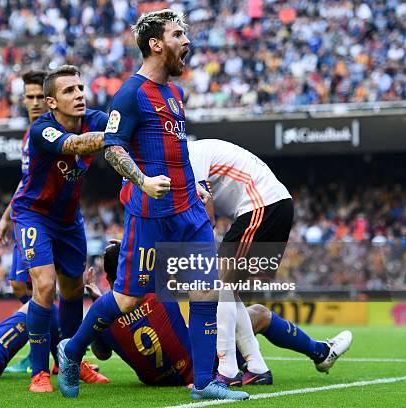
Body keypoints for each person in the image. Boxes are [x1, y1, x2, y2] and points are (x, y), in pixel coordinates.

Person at [57, 10, 248, 401]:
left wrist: (192, 182)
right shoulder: (129, 94)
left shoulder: (176, 95)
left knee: (205, 291)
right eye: (178, 34)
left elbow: (175, 151)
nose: (187, 41)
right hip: (149, 215)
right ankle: (71, 351)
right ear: (156, 44)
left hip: (189, 212)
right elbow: (113, 146)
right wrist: (142, 181)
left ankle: (204, 381)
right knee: (127, 299)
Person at [187, 138, 352, 385]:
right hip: (272, 205)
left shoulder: (189, 155)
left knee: (219, 288)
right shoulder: (193, 152)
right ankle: (256, 367)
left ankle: (228, 372)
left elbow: (207, 217)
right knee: (228, 292)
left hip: (262, 206)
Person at [89, 242, 352, 386]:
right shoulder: (154, 289)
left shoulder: (100, 314)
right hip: (199, 367)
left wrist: (98, 301)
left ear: (107, 277)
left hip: (156, 380)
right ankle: (320, 352)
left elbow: (102, 354)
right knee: (257, 313)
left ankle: (255, 362)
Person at [9, 65, 109, 392]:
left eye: (80, 88)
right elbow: (75, 146)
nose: (79, 94)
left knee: (72, 290)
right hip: (34, 214)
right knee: (44, 284)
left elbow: (125, 131)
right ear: (52, 102)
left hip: (69, 220)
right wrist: (114, 136)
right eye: (69, 91)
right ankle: (39, 372)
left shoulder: (95, 118)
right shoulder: (42, 129)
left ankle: (68, 361)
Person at [0, 70, 48, 374]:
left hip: (42, 220)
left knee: (41, 287)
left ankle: (52, 352)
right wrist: (5, 216)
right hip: (24, 217)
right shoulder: (29, 134)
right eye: (30, 97)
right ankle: (38, 348)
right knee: (19, 284)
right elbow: (25, 181)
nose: (35, 102)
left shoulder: (50, 130)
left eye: (40, 96)